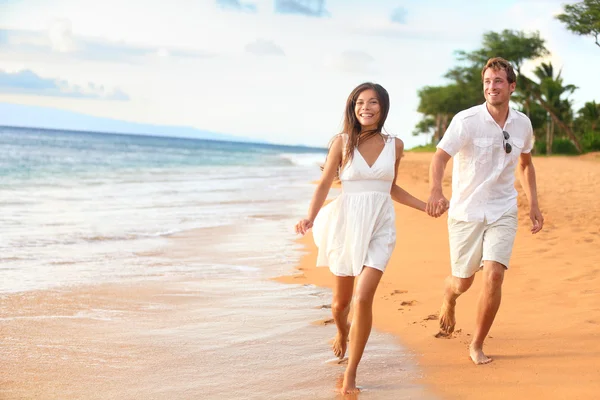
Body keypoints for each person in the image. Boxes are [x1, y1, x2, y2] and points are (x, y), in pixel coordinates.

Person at [295, 82, 444, 394]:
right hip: (346, 225)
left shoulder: (396, 145)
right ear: (353, 107)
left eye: (373, 102)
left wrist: (423, 206)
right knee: (340, 304)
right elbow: (325, 183)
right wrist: (309, 216)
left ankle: (351, 372)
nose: (366, 107)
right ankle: (341, 330)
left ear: (383, 107)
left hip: (380, 225)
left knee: (363, 298)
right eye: (360, 102)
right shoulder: (342, 142)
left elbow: (389, 187)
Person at [427, 57, 544, 365]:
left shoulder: (522, 123)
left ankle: (476, 344)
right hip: (466, 212)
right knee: (463, 282)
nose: (492, 87)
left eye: (498, 81)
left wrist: (533, 204)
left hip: (502, 209)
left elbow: (526, 164)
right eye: (487, 82)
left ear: (511, 86)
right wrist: (436, 190)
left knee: (493, 276)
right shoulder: (466, 120)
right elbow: (439, 157)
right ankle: (449, 297)